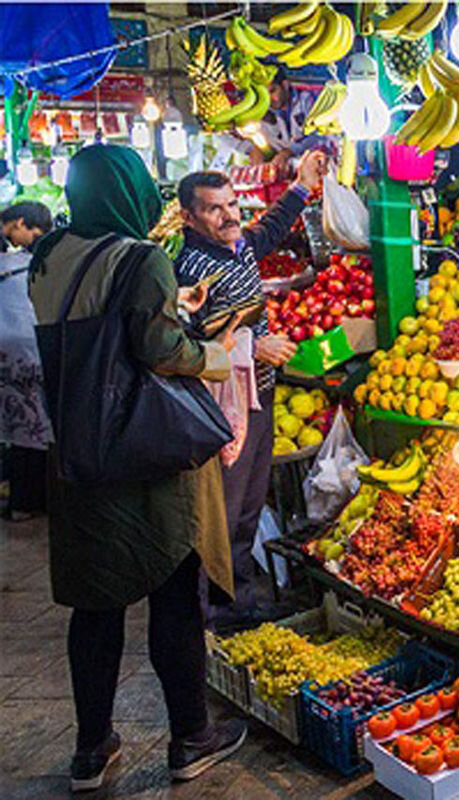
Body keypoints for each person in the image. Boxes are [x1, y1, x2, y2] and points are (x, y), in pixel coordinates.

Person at [27, 145, 246, 792]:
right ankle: (191, 737)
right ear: (128, 191)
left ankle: (91, 750)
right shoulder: (141, 255)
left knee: (94, 602)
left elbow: (92, 320)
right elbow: (157, 346)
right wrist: (215, 353)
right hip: (141, 448)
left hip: (77, 446)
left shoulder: (49, 254)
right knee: (175, 588)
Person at [175, 149, 327, 630]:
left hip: (256, 398)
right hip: (220, 408)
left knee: (244, 513)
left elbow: (267, 232)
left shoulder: (235, 246)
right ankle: (216, 615)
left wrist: (302, 185)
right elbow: (185, 342)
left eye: (232, 204)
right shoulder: (190, 268)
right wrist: (253, 348)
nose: (229, 215)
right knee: (223, 517)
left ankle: (238, 606)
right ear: (188, 216)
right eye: (214, 208)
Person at [0, 201, 53, 519]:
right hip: (27, 349)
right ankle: (28, 499)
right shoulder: (26, 262)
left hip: (11, 353)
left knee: (18, 428)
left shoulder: (14, 260)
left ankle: (20, 497)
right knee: (34, 427)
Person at [239, 69, 331, 168]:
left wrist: (289, 152)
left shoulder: (308, 99)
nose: (269, 99)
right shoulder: (263, 113)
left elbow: (320, 135)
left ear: (285, 85)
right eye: (264, 95)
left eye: (272, 91)